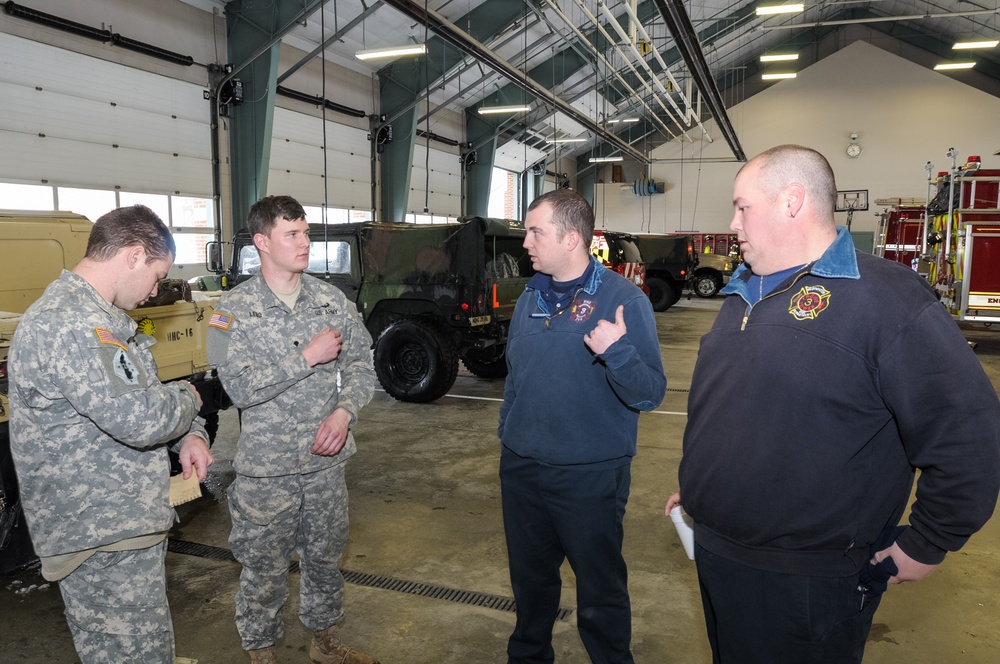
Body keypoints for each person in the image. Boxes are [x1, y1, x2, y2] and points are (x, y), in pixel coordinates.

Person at [666, 144, 1000, 663]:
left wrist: (929, 539)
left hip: (806, 581)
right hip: (716, 553)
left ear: (792, 201)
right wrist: (698, 489)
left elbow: (968, 431)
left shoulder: (886, 298)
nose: (732, 223)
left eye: (742, 207)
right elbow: (738, 411)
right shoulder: (742, 296)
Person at [8, 204, 213, 663]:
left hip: (119, 526)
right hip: (99, 533)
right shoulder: (73, 323)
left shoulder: (103, 320)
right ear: (134, 255)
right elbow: (143, 418)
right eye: (156, 275)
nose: (155, 290)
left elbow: (146, 395)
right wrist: (191, 401)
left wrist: (190, 434)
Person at [206, 195, 378, 664]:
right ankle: (261, 651)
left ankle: (324, 640)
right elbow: (238, 388)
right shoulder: (230, 312)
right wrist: (307, 357)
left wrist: (344, 413)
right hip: (267, 470)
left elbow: (363, 365)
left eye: (305, 232)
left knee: (326, 558)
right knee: (264, 565)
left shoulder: (329, 300)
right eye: (292, 234)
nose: (305, 243)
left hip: (325, 463)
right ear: (262, 241)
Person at [498, 189, 667, 664]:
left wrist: (616, 351)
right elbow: (517, 375)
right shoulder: (530, 294)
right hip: (523, 470)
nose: (525, 242)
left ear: (572, 238)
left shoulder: (623, 300)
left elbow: (650, 392)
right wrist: (509, 434)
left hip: (589, 474)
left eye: (536, 232)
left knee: (600, 589)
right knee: (530, 585)